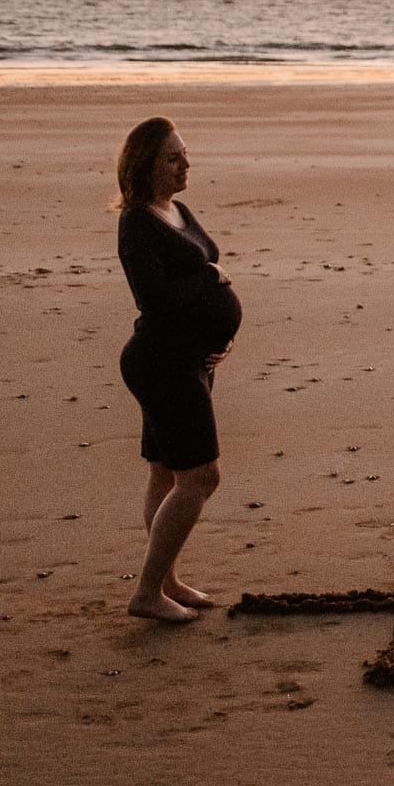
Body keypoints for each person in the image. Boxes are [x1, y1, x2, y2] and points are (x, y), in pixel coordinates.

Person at [113, 118, 242, 621]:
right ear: (145, 165)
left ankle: (165, 580)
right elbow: (156, 299)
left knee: (166, 472)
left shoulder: (177, 210)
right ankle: (146, 593)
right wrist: (210, 278)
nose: (186, 164)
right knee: (201, 477)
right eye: (172, 158)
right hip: (162, 363)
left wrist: (222, 339)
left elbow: (205, 266)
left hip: (189, 359)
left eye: (185, 154)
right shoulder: (137, 222)